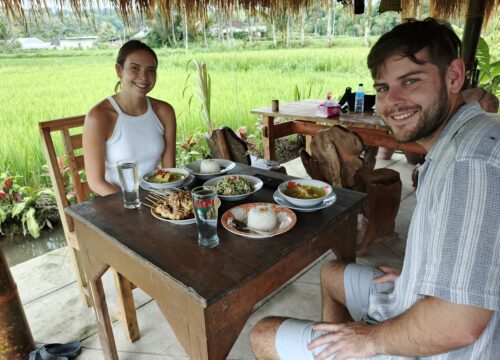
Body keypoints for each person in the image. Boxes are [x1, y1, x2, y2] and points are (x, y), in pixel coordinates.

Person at [250, 18, 500, 360]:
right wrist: (418, 271)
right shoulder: (466, 136)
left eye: (411, 81)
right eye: (383, 88)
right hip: (426, 296)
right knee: (332, 273)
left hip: (451, 348)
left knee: (265, 334)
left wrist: (366, 339)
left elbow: (459, 322)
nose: (391, 102)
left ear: (454, 76)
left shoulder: (471, 163)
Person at [83, 40, 176, 196]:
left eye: (150, 70)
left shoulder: (164, 111)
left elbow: (169, 170)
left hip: (156, 199)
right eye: (135, 68)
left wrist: (166, 202)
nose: (144, 77)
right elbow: (96, 182)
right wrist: (133, 203)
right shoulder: (99, 117)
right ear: (119, 70)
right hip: (117, 202)